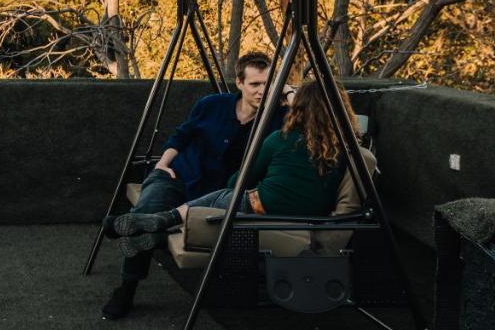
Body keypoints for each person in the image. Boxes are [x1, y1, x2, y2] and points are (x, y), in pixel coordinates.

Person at [100, 51, 286, 320]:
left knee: (158, 221)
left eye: (268, 84)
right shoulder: (212, 104)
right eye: (255, 84)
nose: (261, 91)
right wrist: (163, 163)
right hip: (179, 175)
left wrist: (287, 92)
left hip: (217, 193)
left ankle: (146, 233)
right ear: (239, 83)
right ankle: (126, 288)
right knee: (147, 208)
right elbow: (182, 134)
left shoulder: (280, 118)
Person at [112, 78, 357, 256]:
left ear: (299, 108)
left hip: (262, 207)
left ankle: (163, 221)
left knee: (222, 196)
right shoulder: (349, 149)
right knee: (217, 203)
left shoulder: (281, 139)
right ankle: (156, 232)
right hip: (306, 217)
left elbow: (240, 181)